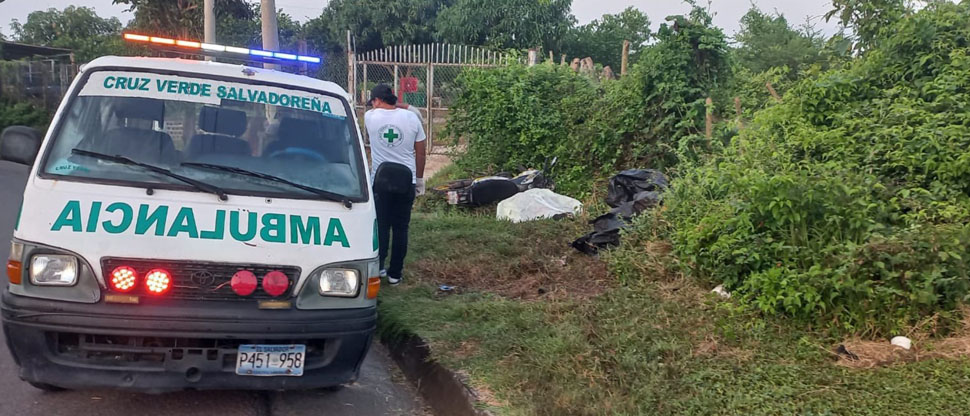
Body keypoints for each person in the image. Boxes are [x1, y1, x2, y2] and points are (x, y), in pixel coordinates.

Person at [365, 84, 426, 285]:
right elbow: (421, 152)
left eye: (373, 101)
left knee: (381, 225)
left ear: (377, 101)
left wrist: (386, 102)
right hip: (405, 181)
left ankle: (380, 266)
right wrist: (419, 180)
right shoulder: (412, 118)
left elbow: (379, 108)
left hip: (380, 182)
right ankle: (396, 274)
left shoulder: (370, 118)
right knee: (401, 228)